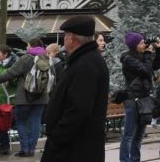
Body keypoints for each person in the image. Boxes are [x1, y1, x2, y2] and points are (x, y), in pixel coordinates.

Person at [41, 15, 110, 162]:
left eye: (65, 36)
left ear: (71, 38)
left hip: (73, 149)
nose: (64, 40)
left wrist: (57, 138)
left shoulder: (85, 64)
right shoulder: (85, 60)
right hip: (77, 146)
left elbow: (79, 108)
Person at [0, 38, 52, 157]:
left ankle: (24, 149)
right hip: (41, 98)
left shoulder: (26, 58)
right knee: (36, 122)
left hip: (25, 97)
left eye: (27, 46)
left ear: (31, 46)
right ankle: (31, 150)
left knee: (21, 121)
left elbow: (11, 73)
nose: (26, 48)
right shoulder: (47, 59)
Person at [120, 32, 160, 162]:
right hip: (132, 99)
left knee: (139, 134)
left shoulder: (142, 56)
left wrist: (158, 49)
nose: (144, 44)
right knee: (129, 134)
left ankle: (135, 159)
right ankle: (124, 160)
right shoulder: (129, 59)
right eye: (141, 43)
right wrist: (148, 54)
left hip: (143, 99)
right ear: (134, 45)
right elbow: (145, 70)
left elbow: (155, 66)